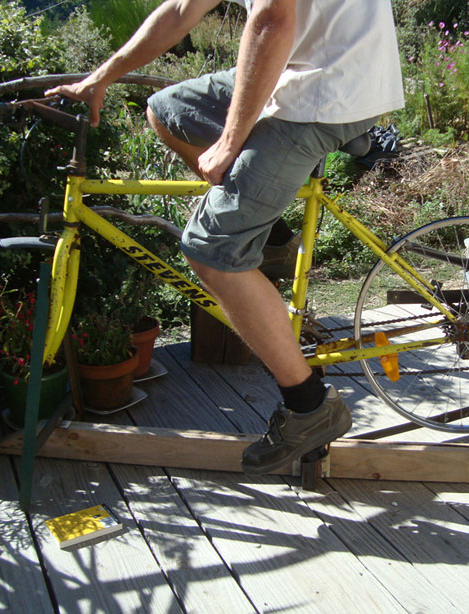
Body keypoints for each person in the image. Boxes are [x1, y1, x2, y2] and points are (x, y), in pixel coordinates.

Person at [46, 0, 404, 475]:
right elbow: (179, 10)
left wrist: (229, 144)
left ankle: (310, 407)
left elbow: (272, 21)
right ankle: (268, 230)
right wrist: (103, 76)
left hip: (328, 90)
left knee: (211, 251)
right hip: (300, 72)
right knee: (167, 109)